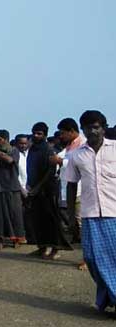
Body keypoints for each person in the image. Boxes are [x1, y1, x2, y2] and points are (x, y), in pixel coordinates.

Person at [66, 110, 116, 314]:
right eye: (88, 128)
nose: (92, 131)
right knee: (92, 259)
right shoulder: (77, 156)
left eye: (96, 127)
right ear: (83, 130)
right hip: (89, 214)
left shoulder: (115, 150)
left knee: (112, 259)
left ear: (103, 128)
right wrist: (70, 216)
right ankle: (106, 296)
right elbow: (70, 185)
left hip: (113, 212)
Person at [26, 122, 72, 259]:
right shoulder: (33, 149)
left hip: (48, 190)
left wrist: (38, 188)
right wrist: (30, 186)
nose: (36, 135)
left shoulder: (48, 149)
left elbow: (51, 171)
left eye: (39, 133)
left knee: (51, 220)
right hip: (35, 190)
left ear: (45, 135)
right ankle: (42, 248)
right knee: (38, 221)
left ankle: (55, 249)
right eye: (34, 132)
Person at [0, 130, 26, 249]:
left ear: (6, 139)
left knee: (15, 215)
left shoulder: (14, 151)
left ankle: (16, 240)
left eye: (0, 139)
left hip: (11, 187)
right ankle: (0, 240)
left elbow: (9, 160)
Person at [53, 118, 85, 245]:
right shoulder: (69, 146)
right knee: (73, 220)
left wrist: (60, 162)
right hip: (69, 187)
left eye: (62, 133)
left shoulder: (83, 144)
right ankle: (78, 240)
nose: (61, 136)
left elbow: (81, 163)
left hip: (81, 188)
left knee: (81, 220)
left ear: (71, 131)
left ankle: (86, 255)